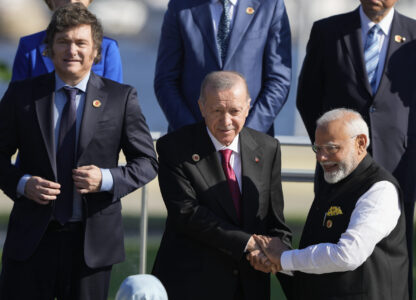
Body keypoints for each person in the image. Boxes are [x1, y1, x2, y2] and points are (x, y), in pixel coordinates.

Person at [0, 3, 157, 299]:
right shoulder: (22, 96)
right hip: (31, 239)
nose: (72, 50)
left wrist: (106, 179)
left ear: (96, 51)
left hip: (92, 245)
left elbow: (147, 162)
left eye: (81, 43)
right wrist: (22, 184)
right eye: (63, 42)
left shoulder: (120, 98)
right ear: (49, 49)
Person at [296, 0, 416, 295]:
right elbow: (308, 97)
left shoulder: (414, 36)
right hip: (338, 164)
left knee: (394, 254)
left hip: (397, 163)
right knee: (332, 240)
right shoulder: (327, 32)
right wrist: (333, 145)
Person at [152, 71, 292, 300]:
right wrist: (249, 243)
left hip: (249, 284)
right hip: (193, 284)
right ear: (202, 107)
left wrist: (276, 254)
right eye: (217, 110)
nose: (226, 121)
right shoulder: (175, 148)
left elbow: (275, 221)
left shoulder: (268, 148)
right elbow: (187, 214)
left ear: (248, 107)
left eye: (235, 111)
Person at [249, 108, 409, 300]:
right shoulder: (333, 180)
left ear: (360, 143)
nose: (321, 158)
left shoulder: (380, 189)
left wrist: (283, 259)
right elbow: (317, 255)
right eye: (317, 148)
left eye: (332, 148)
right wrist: (279, 264)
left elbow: (347, 255)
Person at [154, 0, 291, 135]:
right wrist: (192, 134)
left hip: (252, 143)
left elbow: (278, 80)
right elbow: (165, 80)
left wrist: (247, 136)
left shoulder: (270, 5)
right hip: (190, 143)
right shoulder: (180, 5)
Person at [12, 0, 123, 83]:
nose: (71, 1)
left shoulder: (108, 47)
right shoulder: (28, 46)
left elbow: (114, 102)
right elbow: (16, 102)